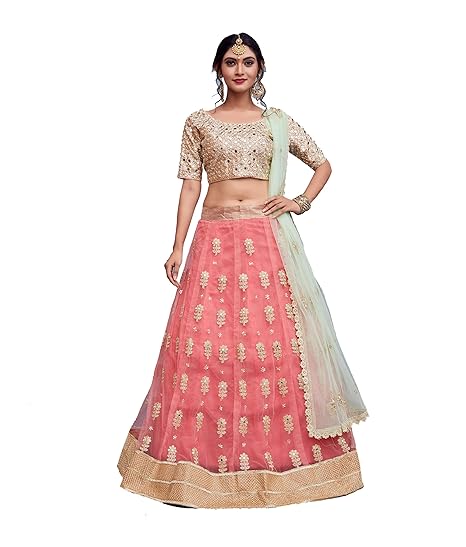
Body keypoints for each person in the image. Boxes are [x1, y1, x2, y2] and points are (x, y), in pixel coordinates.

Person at [117, 32, 368, 509]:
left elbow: (322, 164)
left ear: (260, 69)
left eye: (248, 62)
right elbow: (190, 186)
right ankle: (190, 469)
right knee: (201, 348)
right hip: (212, 239)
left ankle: (287, 464)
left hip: (265, 237)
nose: (239, 70)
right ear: (218, 68)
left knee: (273, 346)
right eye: (230, 62)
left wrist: (300, 201)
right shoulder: (198, 122)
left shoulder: (277, 122)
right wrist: (177, 245)